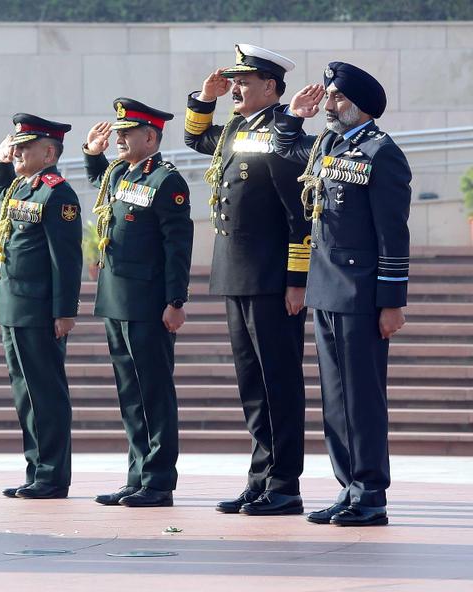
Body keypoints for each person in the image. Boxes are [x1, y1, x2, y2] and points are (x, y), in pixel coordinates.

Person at [272, 62, 410, 527]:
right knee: (335, 398)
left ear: (359, 107)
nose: (328, 105)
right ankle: (347, 487)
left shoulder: (381, 153)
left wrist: (392, 302)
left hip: (362, 292)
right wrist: (295, 115)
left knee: (362, 398)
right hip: (325, 287)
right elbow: (284, 147)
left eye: (334, 99)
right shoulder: (329, 143)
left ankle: (370, 493)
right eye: (328, 98)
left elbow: (393, 234)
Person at [183, 44, 311, 516]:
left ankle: (284, 485)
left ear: (272, 88)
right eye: (234, 80)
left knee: (279, 382)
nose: (235, 87)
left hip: (273, 276)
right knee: (252, 384)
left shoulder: (284, 132)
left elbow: (300, 215)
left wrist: (297, 279)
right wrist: (204, 99)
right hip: (235, 272)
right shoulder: (238, 127)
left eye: (244, 81)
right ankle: (259, 479)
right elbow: (198, 139)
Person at [82, 99, 192, 508]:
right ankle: (137, 475)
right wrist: (92, 156)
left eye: (127, 135)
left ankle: (159, 480)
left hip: (149, 301)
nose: (120, 140)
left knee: (154, 393)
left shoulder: (166, 181)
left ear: (150, 137)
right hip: (116, 297)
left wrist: (175, 300)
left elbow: (178, 246)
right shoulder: (119, 174)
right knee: (130, 393)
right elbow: (103, 187)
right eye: (119, 134)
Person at [0, 113, 82, 500]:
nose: (17, 152)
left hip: (39, 308)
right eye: (15, 145)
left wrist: (64, 311)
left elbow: (66, 258)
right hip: (12, 306)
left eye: (24, 147)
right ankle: (36, 469)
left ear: (48, 152)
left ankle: (52, 475)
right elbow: (0, 189)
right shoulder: (21, 188)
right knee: (24, 394)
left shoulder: (56, 192)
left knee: (45, 393)